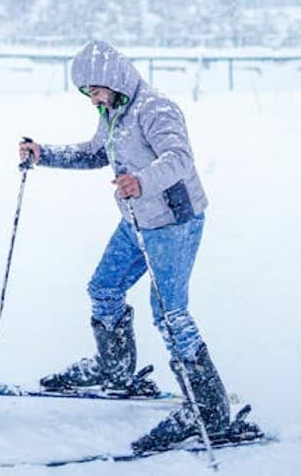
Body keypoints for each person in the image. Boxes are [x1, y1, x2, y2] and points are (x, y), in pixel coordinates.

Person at [19, 39, 231, 452]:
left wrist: (141, 181)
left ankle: (210, 411)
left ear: (114, 79)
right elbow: (95, 152)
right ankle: (115, 370)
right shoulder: (112, 112)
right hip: (136, 220)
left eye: (95, 90)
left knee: (170, 315)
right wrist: (44, 154)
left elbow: (179, 158)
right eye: (86, 93)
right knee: (104, 288)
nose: (92, 99)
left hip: (173, 223)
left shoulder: (156, 108)